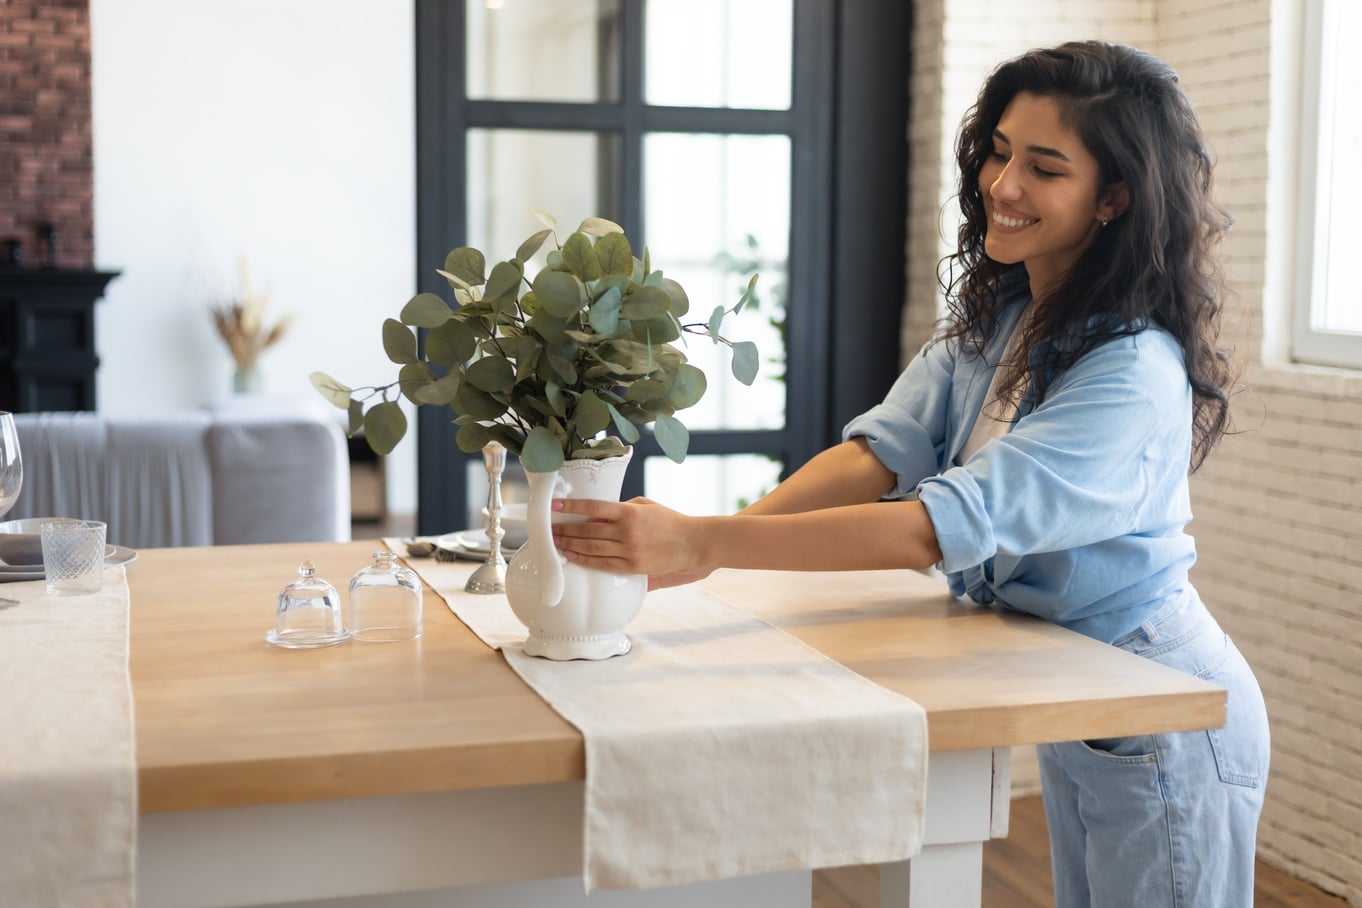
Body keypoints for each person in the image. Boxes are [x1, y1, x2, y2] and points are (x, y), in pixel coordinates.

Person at [551, 40, 1270, 906]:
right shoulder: (1004, 317)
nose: (1002, 186)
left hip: (1157, 694)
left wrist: (708, 539)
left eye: (1044, 168)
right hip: (1077, 680)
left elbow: (931, 527)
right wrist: (710, 553)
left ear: (1114, 197)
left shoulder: (1133, 373)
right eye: (999, 151)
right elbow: (878, 455)